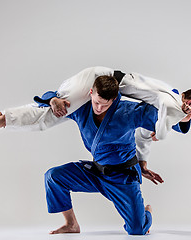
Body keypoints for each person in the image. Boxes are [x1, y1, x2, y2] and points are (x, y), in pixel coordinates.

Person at [0, 66, 191, 184]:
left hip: (104, 81)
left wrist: (143, 162)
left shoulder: (170, 99)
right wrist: (172, 124)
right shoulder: (173, 102)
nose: (190, 120)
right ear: (188, 103)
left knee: (50, 114)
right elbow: (166, 125)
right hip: (98, 77)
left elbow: (145, 136)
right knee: (53, 112)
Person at [45, 75, 159, 235]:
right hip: (96, 172)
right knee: (53, 176)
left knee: (137, 229)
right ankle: (71, 224)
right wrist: (53, 100)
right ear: (91, 92)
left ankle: (146, 211)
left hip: (123, 177)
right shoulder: (80, 108)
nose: (99, 108)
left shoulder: (128, 112)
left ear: (114, 99)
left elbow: (163, 114)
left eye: (105, 105)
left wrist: (162, 127)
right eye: (96, 102)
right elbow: (43, 100)